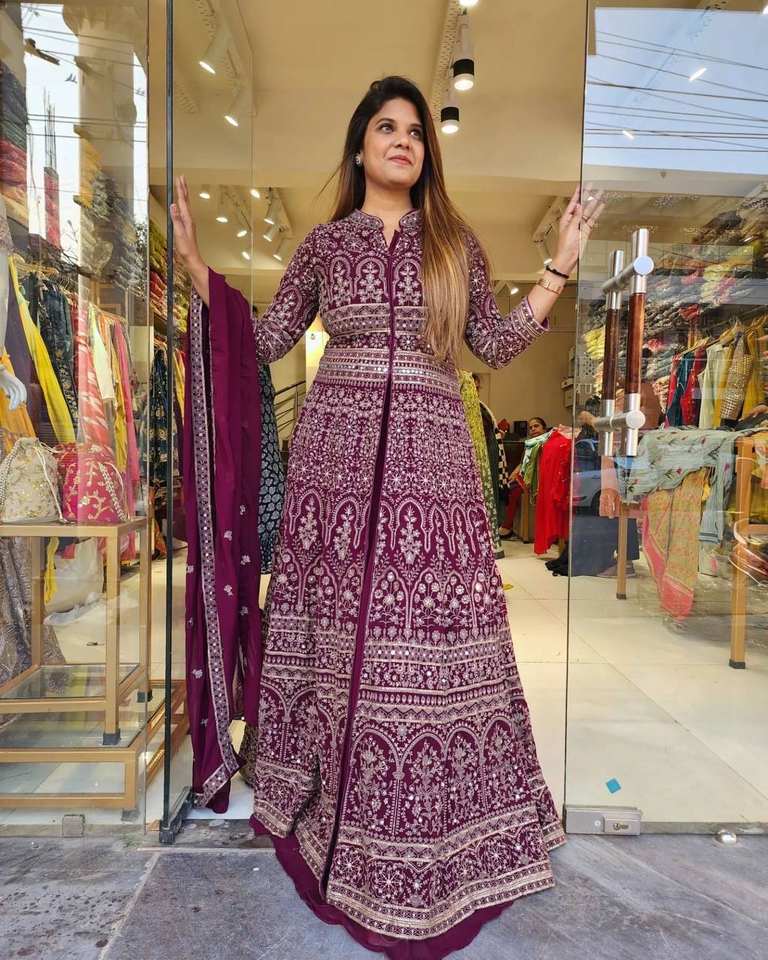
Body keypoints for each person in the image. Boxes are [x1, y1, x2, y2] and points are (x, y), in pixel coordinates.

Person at [171, 75, 600, 959]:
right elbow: (264, 338)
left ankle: (425, 819)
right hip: (333, 462)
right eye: (385, 127)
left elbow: (494, 342)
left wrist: (558, 266)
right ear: (360, 146)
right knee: (341, 631)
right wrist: (197, 274)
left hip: (433, 465)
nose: (402, 139)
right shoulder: (327, 244)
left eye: (414, 130)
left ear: (426, 152)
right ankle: (332, 803)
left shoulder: (456, 244)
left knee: (422, 641)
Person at [498, 417, 548, 540]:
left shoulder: (546, 443)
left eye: (536, 426)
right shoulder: (530, 444)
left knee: (514, 491)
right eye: (531, 428)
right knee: (504, 487)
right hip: (526, 476)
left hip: (540, 479)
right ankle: (502, 522)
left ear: (544, 429)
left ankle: (506, 527)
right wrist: (511, 476)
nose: (533, 429)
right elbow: (522, 464)